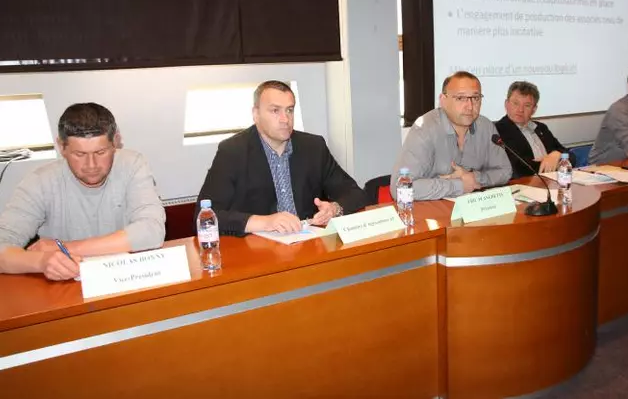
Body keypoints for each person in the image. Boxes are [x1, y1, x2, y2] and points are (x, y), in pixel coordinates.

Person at [0, 103, 166, 281]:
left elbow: (152, 231)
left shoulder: (133, 164)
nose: (91, 165)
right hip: (64, 288)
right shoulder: (39, 181)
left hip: (125, 280)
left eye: (100, 152)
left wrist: (66, 248)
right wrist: (42, 261)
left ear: (116, 141)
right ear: (61, 146)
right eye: (79, 154)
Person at [196, 80, 368, 236]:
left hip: (308, 242)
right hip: (258, 251)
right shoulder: (232, 152)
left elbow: (354, 193)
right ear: (256, 114)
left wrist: (333, 209)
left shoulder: (313, 147)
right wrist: (265, 222)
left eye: (289, 110)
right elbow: (204, 215)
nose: (285, 119)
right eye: (275, 110)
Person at [391, 71, 512, 200]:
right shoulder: (425, 129)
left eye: (475, 98)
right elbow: (400, 188)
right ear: (443, 100)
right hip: (434, 211)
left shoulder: (486, 126)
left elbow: (505, 171)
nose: (470, 106)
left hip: (474, 208)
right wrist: (458, 185)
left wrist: (474, 177)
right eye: (460, 98)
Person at [495, 81, 575, 178]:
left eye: (527, 105)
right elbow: (517, 169)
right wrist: (550, 162)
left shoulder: (541, 128)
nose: (520, 109)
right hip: (527, 185)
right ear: (506, 104)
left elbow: (572, 156)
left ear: (534, 109)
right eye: (516, 103)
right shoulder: (498, 131)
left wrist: (557, 155)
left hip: (553, 182)